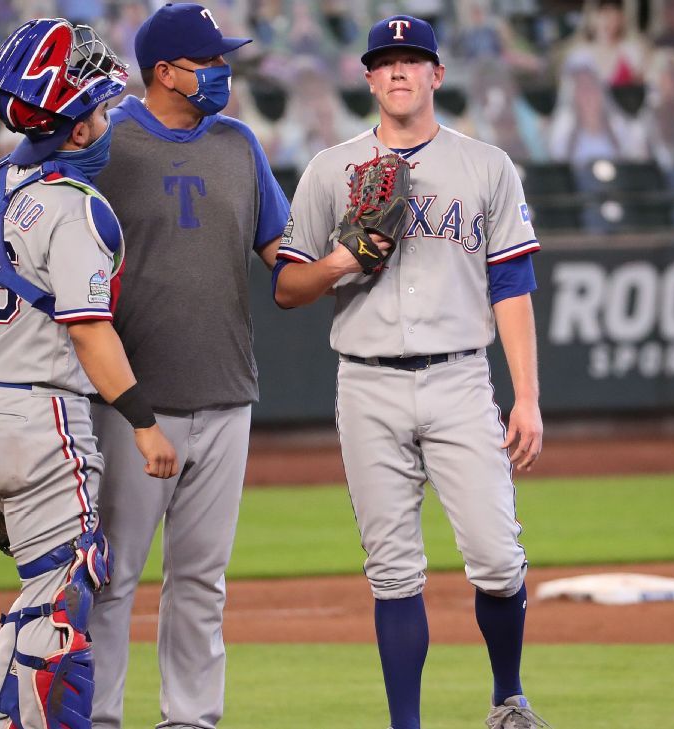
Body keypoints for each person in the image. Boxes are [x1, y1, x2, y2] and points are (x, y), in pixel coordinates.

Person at [274, 15, 548, 729]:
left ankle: (508, 698)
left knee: (496, 557)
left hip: (460, 377)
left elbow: (512, 285)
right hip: (366, 382)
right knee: (393, 572)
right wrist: (343, 259)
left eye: (412, 59)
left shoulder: (486, 165)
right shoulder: (331, 170)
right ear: (367, 78)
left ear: (437, 75)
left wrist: (527, 397)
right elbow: (288, 287)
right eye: (385, 61)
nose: (398, 71)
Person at [0, 17, 177, 729]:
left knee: (40, 588)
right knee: (66, 596)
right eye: (102, 110)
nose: (108, 121)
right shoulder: (75, 208)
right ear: (76, 128)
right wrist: (143, 424)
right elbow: (89, 329)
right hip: (43, 413)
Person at [85, 4, 289, 729]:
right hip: (132, 404)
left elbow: (283, 264)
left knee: (202, 580)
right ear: (165, 71)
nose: (222, 72)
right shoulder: (104, 146)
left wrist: (345, 259)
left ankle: (191, 719)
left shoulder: (240, 144)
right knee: (110, 581)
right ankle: (98, 718)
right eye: (208, 61)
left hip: (228, 395)